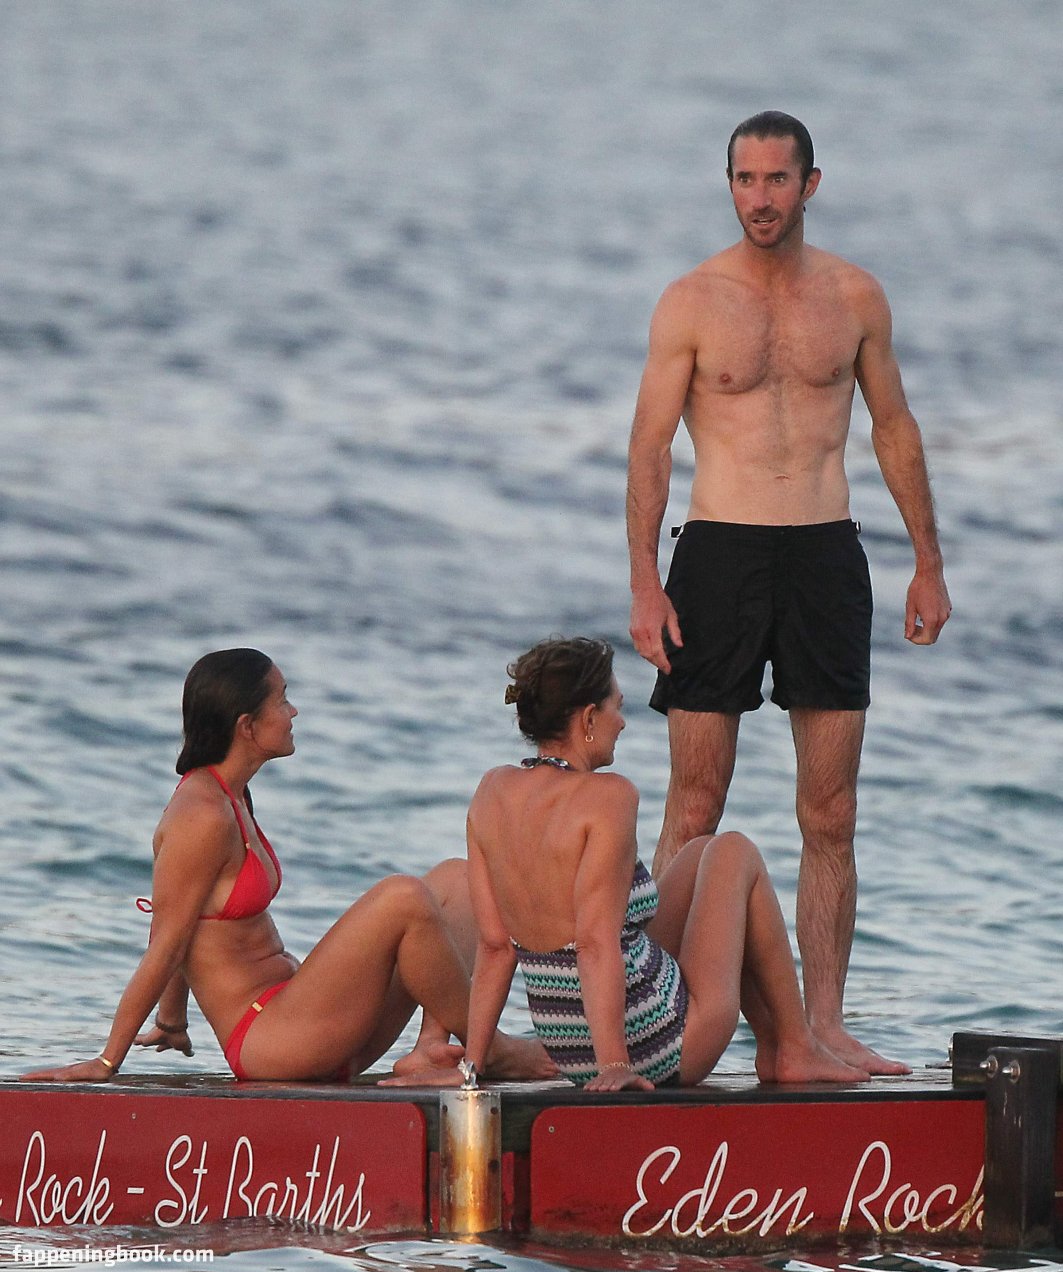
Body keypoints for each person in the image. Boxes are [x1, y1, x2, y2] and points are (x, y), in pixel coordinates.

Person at [626, 111, 951, 1076]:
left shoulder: (854, 297)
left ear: (809, 184)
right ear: (727, 183)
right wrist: (643, 581)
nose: (759, 198)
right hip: (717, 555)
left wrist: (927, 560)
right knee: (694, 801)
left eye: (776, 179)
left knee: (831, 811)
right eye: (744, 179)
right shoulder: (691, 300)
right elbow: (649, 446)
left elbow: (892, 426)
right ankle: (658, 1023)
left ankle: (821, 1027)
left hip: (824, 555)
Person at [22, 648, 552, 1086]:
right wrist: (106, 1061)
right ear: (247, 726)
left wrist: (172, 1018)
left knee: (456, 879)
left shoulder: (233, 796)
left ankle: (431, 1050)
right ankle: (492, 1051)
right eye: (282, 699)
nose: (294, 711)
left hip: (308, 1020)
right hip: (270, 1042)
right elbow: (167, 940)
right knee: (403, 897)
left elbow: (183, 918)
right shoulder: (200, 816)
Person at [391, 637, 868, 1092]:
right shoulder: (608, 798)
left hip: (569, 1050)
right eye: (616, 707)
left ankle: (780, 1045)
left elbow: (496, 947)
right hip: (659, 1044)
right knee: (734, 851)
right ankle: (794, 1046)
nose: (622, 722)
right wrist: (615, 1065)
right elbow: (595, 943)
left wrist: (473, 1067)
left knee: (700, 852)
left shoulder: (491, 791)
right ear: (588, 718)